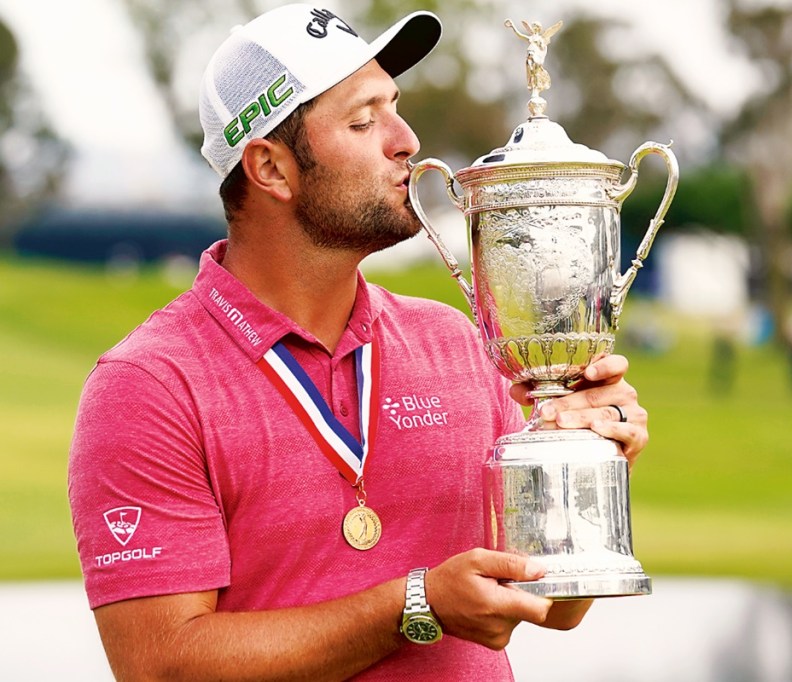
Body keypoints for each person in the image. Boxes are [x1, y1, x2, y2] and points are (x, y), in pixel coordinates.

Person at [67, 4, 650, 681]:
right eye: (363, 120)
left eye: (394, 108)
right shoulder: (150, 385)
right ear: (272, 169)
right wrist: (412, 606)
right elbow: (161, 665)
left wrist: (586, 466)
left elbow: (549, 604)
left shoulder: (454, 342)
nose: (405, 140)